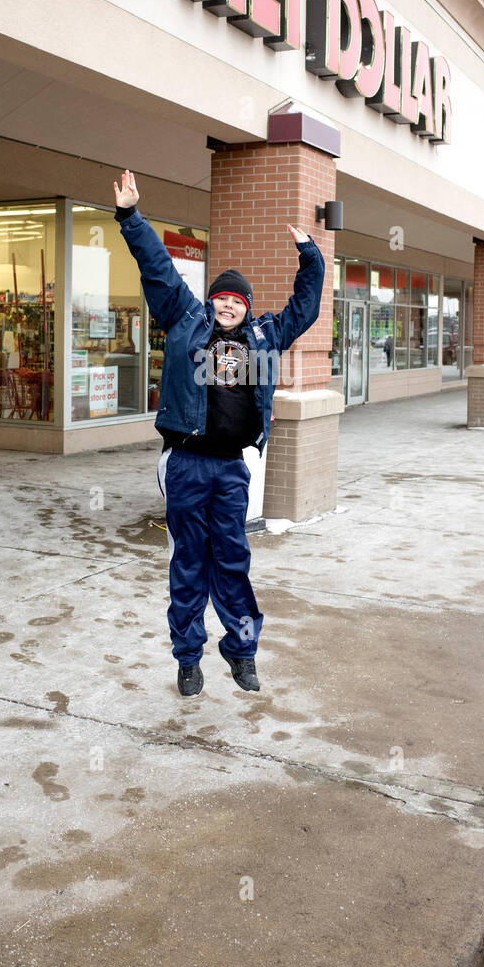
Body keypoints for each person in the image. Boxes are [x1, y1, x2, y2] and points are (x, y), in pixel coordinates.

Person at [113, 168, 325, 698]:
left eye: (237, 299)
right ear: (210, 301)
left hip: (233, 466)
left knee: (232, 561)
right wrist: (131, 217)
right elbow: (159, 270)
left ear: (247, 307)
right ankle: (188, 659)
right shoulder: (185, 320)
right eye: (221, 297)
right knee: (188, 562)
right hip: (186, 462)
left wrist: (312, 257)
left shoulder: (265, 334)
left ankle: (242, 650)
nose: (227, 304)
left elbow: (305, 306)